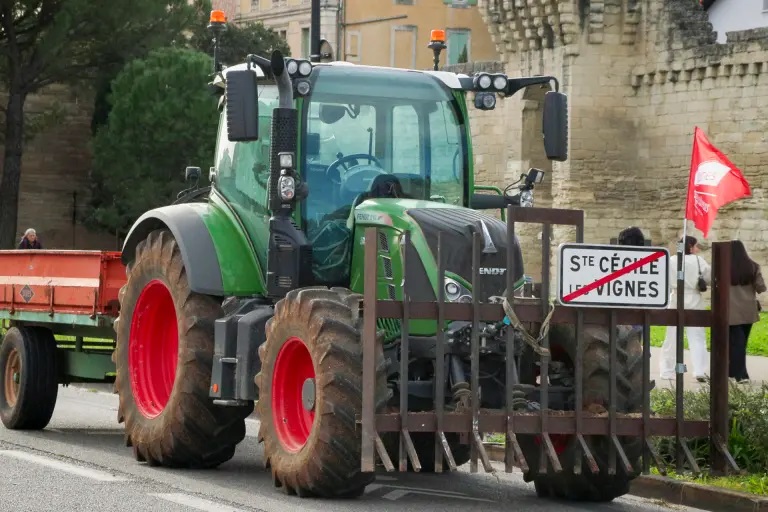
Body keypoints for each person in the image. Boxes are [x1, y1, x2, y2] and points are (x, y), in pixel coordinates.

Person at [659, 235, 711, 382]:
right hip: (694, 298)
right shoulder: (698, 260)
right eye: (695, 245)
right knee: (697, 336)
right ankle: (700, 370)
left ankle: (667, 370)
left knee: (671, 336)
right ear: (690, 247)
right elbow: (708, 277)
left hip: (676, 297)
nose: (697, 248)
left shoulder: (671, 260)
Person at [728, 240, 766, 384]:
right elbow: (761, 288)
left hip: (730, 311)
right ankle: (737, 373)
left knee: (734, 342)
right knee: (741, 343)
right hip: (748, 311)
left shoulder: (724, 267)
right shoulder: (753, 266)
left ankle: (739, 374)